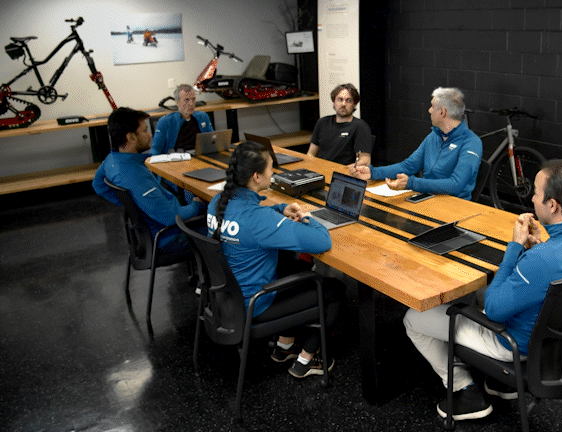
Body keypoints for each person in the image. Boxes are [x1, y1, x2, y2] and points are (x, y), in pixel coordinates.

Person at [403, 159, 562, 421]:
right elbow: (559, 271)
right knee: (484, 290)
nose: (533, 199)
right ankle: (501, 384)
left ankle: (464, 390)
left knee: (414, 318)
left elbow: (494, 310)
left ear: (552, 205)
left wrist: (515, 247)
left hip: (516, 345)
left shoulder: (543, 260)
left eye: (536, 192)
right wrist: (539, 247)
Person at [207, 140, 344, 378]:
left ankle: (284, 346)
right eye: (271, 168)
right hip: (255, 305)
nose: (274, 173)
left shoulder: (216, 203)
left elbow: (251, 222)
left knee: (293, 266)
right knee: (334, 289)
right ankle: (307, 359)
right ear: (257, 176)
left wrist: (279, 210)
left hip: (224, 300)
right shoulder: (258, 220)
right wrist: (309, 219)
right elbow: (322, 242)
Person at [92, 107, 206, 254]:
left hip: (152, 233)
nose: (150, 135)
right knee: (224, 233)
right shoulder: (135, 176)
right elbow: (169, 218)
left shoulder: (112, 159)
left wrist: (132, 205)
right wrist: (197, 205)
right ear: (131, 137)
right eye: (145, 131)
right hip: (168, 238)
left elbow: (98, 185)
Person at [350, 87, 481, 199]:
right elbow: (408, 166)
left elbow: (456, 185)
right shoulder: (434, 136)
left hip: (454, 206)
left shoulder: (471, 142)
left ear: (442, 112)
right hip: (428, 199)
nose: (429, 110)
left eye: (432, 106)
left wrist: (411, 183)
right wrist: (372, 173)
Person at [307, 83, 373, 167]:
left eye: (348, 100)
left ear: (354, 104)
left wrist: (341, 170)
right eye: (340, 99)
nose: (343, 104)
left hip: (344, 172)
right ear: (334, 102)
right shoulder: (322, 122)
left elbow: (365, 161)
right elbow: (311, 153)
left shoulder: (360, 127)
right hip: (321, 170)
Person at [150, 84, 214, 155]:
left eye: (193, 99)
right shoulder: (165, 121)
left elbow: (213, 140)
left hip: (200, 155)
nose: (191, 103)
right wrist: (151, 159)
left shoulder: (202, 117)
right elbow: (156, 148)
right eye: (186, 100)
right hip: (178, 156)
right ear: (177, 102)